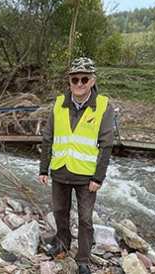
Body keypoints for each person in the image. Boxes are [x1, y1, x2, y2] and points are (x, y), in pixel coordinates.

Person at [39, 57, 114, 274]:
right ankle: (62, 244)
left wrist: (98, 178)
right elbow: (47, 138)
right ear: (69, 81)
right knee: (60, 212)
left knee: (85, 218)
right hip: (60, 171)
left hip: (86, 177)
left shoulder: (103, 106)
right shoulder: (59, 103)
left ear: (92, 81)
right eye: (75, 79)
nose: (79, 84)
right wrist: (44, 169)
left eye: (84, 79)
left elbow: (106, 145)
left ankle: (83, 259)